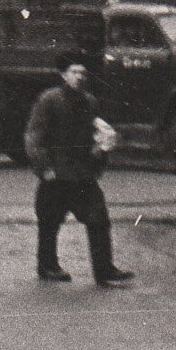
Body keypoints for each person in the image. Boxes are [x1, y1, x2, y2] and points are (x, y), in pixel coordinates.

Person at [24, 51, 135, 287]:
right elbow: (34, 136)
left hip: (82, 174)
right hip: (56, 174)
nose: (79, 77)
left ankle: (104, 270)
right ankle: (48, 267)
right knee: (49, 223)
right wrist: (44, 168)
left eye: (83, 73)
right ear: (64, 75)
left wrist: (101, 152)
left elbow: (95, 136)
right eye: (74, 72)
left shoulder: (90, 102)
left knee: (99, 220)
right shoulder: (49, 100)